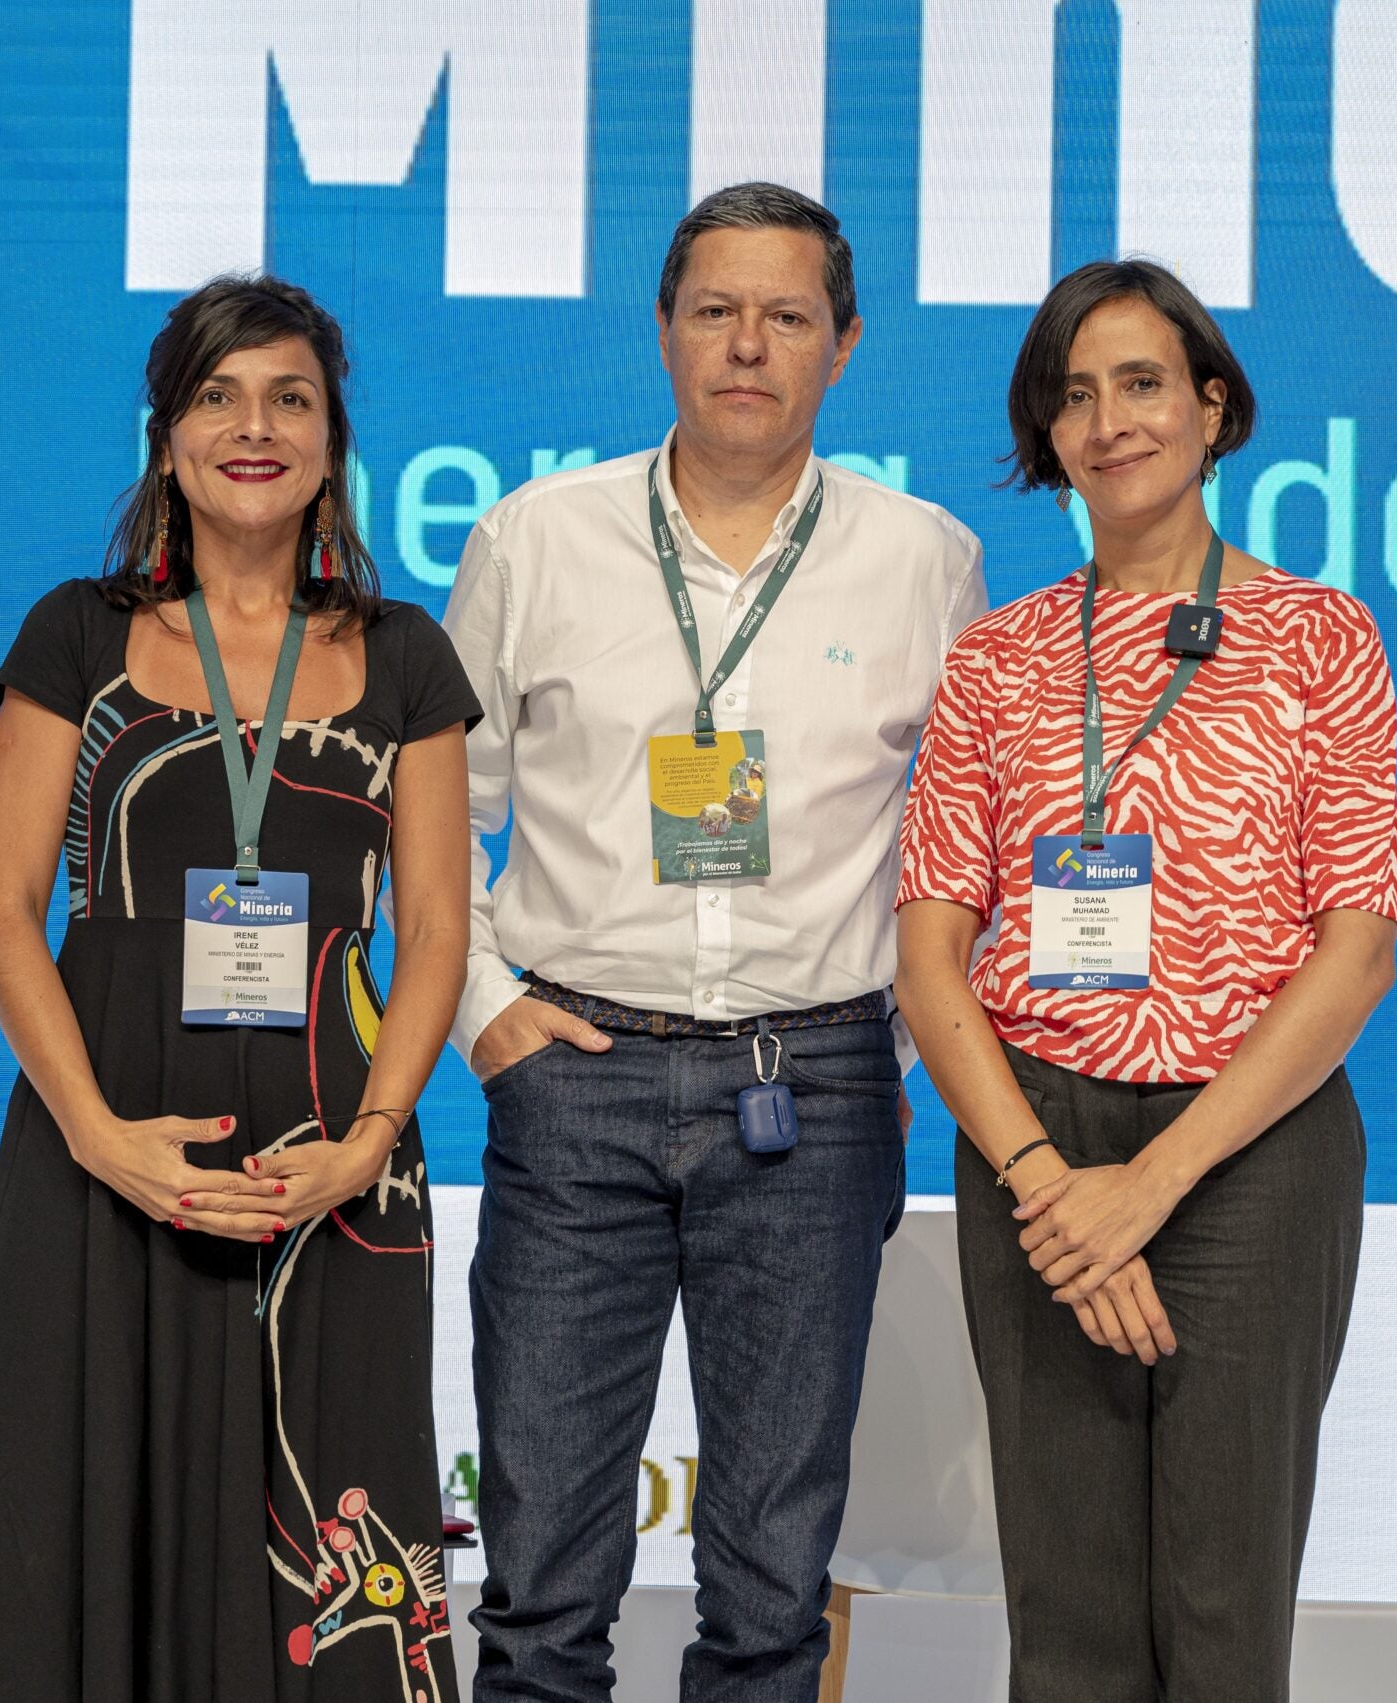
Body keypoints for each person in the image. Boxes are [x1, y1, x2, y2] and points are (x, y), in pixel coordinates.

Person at [442, 183, 986, 1702]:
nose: (749, 345)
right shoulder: (533, 540)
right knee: (541, 1579)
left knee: (771, 1586)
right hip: (574, 1075)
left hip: (806, 1096)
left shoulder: (923, 560)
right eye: (715, 310)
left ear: (845, 344)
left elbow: (955, 849)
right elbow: (437, 813)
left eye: (788, 316)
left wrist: (887, 1048)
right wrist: (481, 1008)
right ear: (666, 331)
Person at [0, 275, 483, 1703]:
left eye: (290, 398)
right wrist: (103, 1142)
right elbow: (4, 914)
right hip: (103, 1149)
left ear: (332, 440)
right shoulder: (79, 633)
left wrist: (366, 1147)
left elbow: (433, 931)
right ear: (166, 436)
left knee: (331, 1525)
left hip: (333, 1169)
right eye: (219, 397)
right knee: (82, 1508)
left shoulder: (406, 655)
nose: (256, 427)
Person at [894, 259, 1397, 1701]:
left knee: (1226, 1618)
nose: (1108, 420)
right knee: (1067, 1625)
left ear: (1212, 405)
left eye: (1140, 382)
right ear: (1045, 437)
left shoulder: (1321, 639)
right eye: (1072, 395)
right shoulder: (995, 660)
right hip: (1035, 1149)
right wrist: (1057, 1187)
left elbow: (1355, 950)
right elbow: (931, 952)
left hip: (1250, 1153)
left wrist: (1153, 1184)